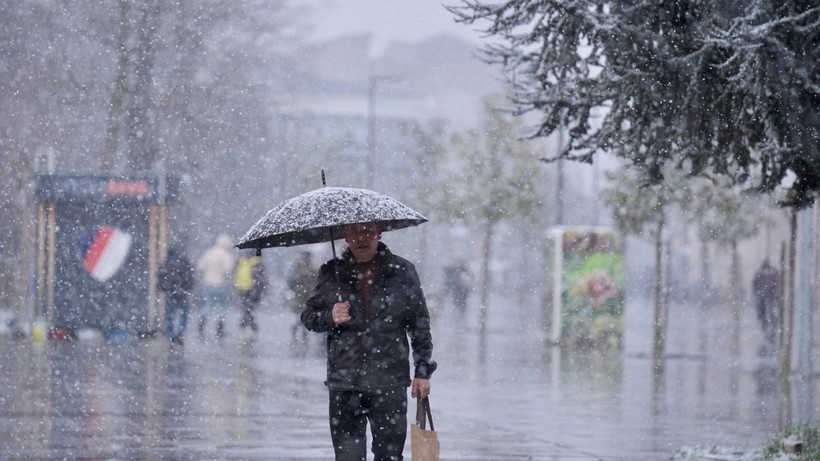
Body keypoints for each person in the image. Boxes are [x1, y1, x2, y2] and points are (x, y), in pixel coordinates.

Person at [301, 221, 436, 461]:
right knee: (348, 457)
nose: (361, 238)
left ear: (379, 233)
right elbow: (309, 317)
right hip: (344, 382)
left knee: (389, 456)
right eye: (355, 231)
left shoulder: (402, 271)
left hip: (389, 383)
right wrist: (329, 315)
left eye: (368, 231)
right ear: (345, 235)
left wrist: (423, 370)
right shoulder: (331, 272)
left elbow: (419, 323)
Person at [196, 234, 236, 339]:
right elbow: (228, 271)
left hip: (208, 283)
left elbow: (200, 267)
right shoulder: (226, 255)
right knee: (222, 306)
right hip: (221, 284)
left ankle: (202, 322)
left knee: (208, 303)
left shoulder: (208, 253)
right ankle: (219, 328)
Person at [157, 246, 195, 346]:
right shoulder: (184, 263)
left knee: (170, 316)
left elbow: (161, 279)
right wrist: (187, 288)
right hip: (183, 294)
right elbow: (190, 278)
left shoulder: (165, 264)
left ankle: (171, 337)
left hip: (170, 294)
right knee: (183, 315)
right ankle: (180, 333)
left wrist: (163, 289)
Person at [234, 250, 268, 335]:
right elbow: (261, 280)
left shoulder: (243, 261)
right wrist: (262, 290)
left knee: (247, 309)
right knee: (249, 309)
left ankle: (246, 327)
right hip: (253, 290)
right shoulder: (257, 263)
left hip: (242, 289)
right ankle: (250, 327)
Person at [286, 250, 315, 346]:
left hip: (304, 297)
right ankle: (298, 337)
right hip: (300, 298)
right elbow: (291, 282)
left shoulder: (310, 269)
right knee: (300, 319)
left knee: (301, 319)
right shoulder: (298, 268)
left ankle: (301, 337)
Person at [752, 259, 780, 345]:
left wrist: (757, 292)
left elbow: (754, 283)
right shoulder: (774, 272)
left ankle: (765, 327)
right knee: (771, 312)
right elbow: (777, 282)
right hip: (770, 296)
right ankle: (772, 326)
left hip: (762, 296)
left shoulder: (760, 272)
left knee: (762, 312)